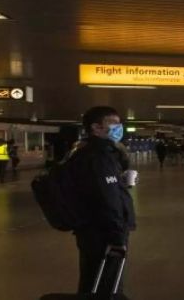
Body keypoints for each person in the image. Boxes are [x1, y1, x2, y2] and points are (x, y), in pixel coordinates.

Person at [69, 105, 136, 295]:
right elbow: (107, 198)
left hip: (91, 227)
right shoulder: (98, 157)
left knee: (93, 280)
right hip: (103, 231)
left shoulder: (94, 153)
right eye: (112, 123)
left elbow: (101, 187)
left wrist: (121, 182)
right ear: (96, 127)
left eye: (119, 123)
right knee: (108, 283)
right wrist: (117, 234)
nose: (118, 127)